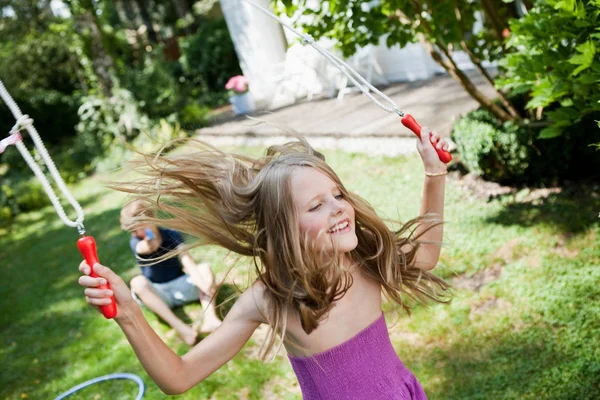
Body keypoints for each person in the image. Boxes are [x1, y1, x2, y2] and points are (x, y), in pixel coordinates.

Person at [79, 129, 451, 398]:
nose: (338, 207)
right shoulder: (272, 298)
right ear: (285, 227)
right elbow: (179, 376)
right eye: (316, 205)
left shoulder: (364, 259)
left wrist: (435, 174)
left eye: (337, 194)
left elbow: (427, 255)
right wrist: (128, 311)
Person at [119, 199, 222, 345]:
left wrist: (204, 285)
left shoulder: (171, 234)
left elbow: (187, 261)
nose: (136, 233)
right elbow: (145, 248)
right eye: (132, 230)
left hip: (180, 285)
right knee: (137, 282)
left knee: (204, 269)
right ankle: (182, 328)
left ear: (151, 219)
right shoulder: (136, 241)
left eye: (138, 228)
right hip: (158, 294)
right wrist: (149, 239)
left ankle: (210, 318)